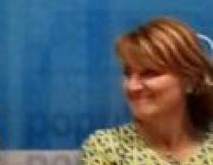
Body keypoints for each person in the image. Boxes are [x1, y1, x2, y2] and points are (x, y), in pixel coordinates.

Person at [80, 17, 213, 164]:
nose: (132, 86)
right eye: (128, 74)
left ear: (191, 79)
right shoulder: (106, 148)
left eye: (150, 73)